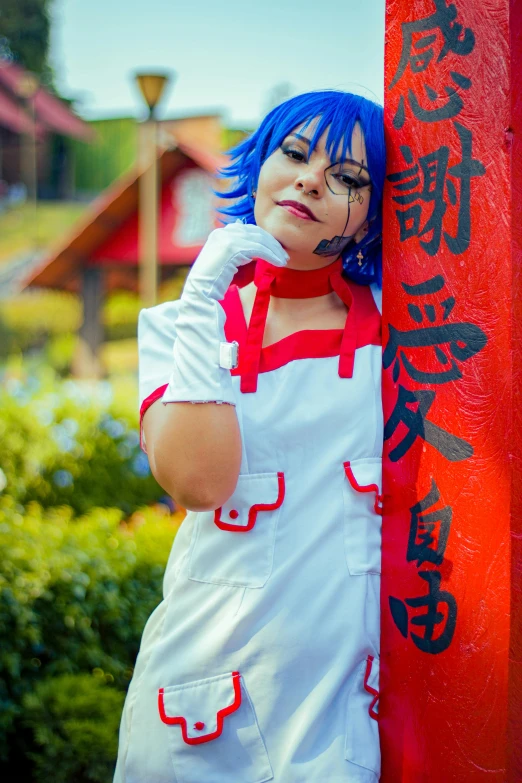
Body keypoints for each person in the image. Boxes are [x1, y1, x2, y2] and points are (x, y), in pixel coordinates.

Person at [114, 89, 385, 783]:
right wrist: (206, 302)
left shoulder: (402, 333)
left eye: (348, 178)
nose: (311, 179)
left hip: (341, 705)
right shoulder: (179, 324)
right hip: (199, 694)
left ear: (370, 218)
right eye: (294, 154)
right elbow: (199, 482)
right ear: (259, 166)